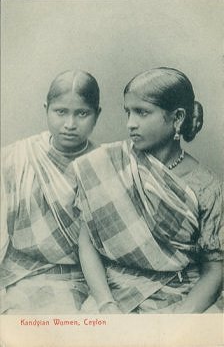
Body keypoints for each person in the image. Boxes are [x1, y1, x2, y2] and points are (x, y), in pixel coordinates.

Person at [74, 67, 223, 314]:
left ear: (177, 118)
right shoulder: (106, 164)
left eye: (142, 112)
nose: (131, 124)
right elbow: (87, 244)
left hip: (182, 296)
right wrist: (105, 303)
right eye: (128, 112)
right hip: (113, 292)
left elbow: (215, 270)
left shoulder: (207, 186)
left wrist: (180, 318)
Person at [0, 70, 101, 314]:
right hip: (19, 273)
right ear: (46, 109)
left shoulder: (104, 163)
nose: (70, 124)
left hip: (80, 278)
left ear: (97, 115)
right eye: (60, 112)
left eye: (82, 113)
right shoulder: (17, 157)